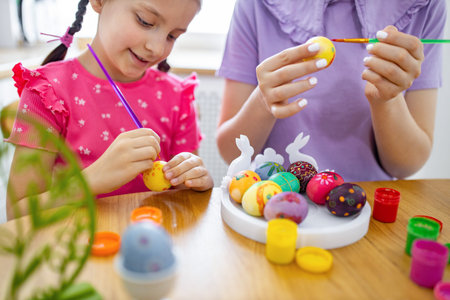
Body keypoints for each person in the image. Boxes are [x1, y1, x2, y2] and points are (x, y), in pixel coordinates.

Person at [6, 0, 213, 220]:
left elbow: (184, 198)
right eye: (145, 22)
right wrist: (89, 181)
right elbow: (17, 213)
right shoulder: (47, 92)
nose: (158, 48)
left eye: (173, 36)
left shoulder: (178, 97)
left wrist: (197, 182)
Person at [216, 0, 446, 182]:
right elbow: (230, 152)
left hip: (369, 210)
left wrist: (386, 100)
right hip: (272, 197)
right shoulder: (255, 4)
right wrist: (264, 101)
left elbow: (406, 165)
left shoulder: (425, 5)